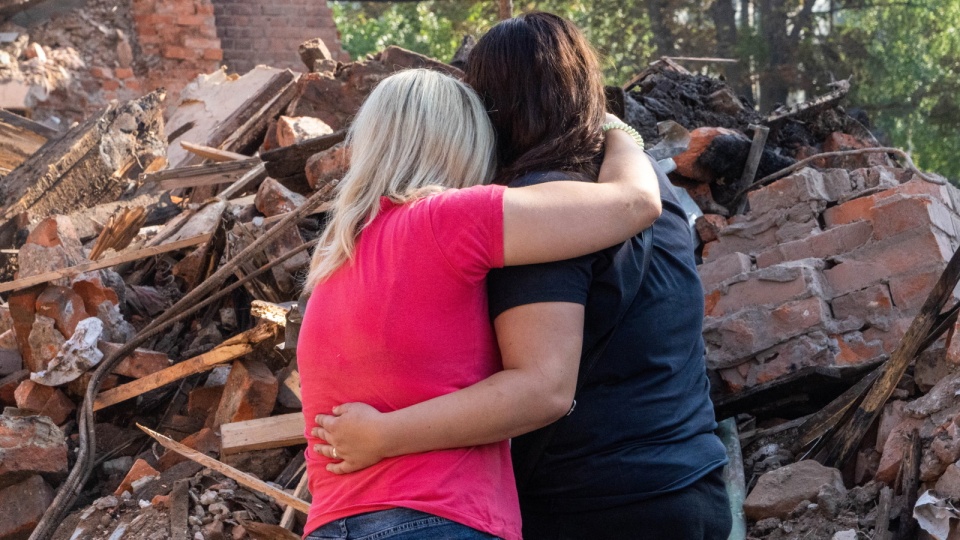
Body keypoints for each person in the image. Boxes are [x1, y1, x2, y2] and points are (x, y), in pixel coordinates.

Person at [310, 13, 732, 540]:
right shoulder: (658, 196)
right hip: (694, 486)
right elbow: (635, 200)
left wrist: (383, 435)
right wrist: (620, 133)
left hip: (585, 503)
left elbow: (542, 388)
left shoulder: (343, 250)